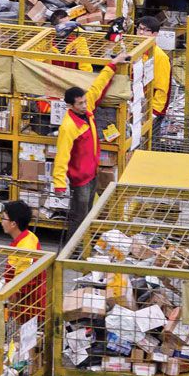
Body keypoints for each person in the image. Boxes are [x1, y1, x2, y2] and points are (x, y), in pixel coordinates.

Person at [53, 49, 130, 238]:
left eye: (85, 102)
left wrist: (115, 63)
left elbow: (99, 84)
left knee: (87, 213)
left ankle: (82, 245)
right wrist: (59, 184)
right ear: (70, 106)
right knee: (79, 216)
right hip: (80, 179)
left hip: (91, 173)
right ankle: (72, 251)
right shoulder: (69, 126)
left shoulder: (87, 110)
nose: (85, 105)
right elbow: (62, 156)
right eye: (80, 104)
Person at [1, 201, 46, 323]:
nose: (1, 222)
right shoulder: (27, 236)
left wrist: (11, 302)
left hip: (28, 308)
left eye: (4, 218)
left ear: (13, 223)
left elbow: (22, 285)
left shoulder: (25, 248)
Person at [136, 16, 172, 144]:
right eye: (139, 29)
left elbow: (162, 88)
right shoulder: (136, 51)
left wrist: (153, 114)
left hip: (150, 110)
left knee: (149, 143)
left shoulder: (160, 57)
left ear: (155, 34)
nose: (141, 33)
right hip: (136, 107)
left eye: (146, 30)